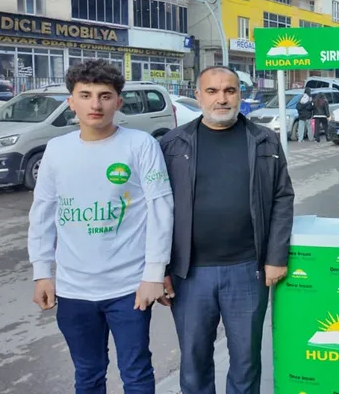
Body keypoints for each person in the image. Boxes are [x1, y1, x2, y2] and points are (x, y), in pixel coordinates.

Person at [27, 59, 174, 394]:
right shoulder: (57, 150)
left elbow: (161, 209)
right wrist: (42, 272)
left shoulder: (140, 145)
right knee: (88, 374)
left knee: (136, 373)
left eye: (105, 96)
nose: (95, 104)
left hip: (128, 288)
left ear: (118, 102)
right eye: (86, 95)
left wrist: (153, 274)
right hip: (73, 290)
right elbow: (42, 212)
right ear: (71, 102)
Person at [158, 66, 294, 394]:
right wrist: (159, 269)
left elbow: (282, 197)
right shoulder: (173, 144)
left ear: (240, 95)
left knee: (246, 359)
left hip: (248, 271)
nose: (222, 98)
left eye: (229, 91)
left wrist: (275, 256)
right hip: (189, 275)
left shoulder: (264, 140)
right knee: (194, 360)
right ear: (198, 95)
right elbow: (156, 212)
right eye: (213, 91)